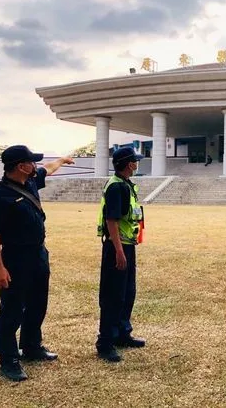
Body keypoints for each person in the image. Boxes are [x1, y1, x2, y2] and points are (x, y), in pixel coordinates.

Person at [0, 145, 75, 382]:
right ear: (21, 166)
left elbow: (48, 169)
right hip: (15, 258)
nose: (35, 166)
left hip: (38, 255)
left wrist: (62, 159)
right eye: (31, 162)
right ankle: (9, 360)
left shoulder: (30, 182)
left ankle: (32, 347)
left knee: (37, 303)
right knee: (11, 310)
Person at [95, 147, 146, 362]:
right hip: (118, 247)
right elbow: (111, 221)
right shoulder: (117, 187)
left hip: (127, 245)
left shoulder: (125, 184)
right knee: (113, 295)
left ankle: (122, 333)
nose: (137, 163)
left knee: (127, 292)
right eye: (135, 160)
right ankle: (105, 342)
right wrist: (118, 251)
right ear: (128, 164)